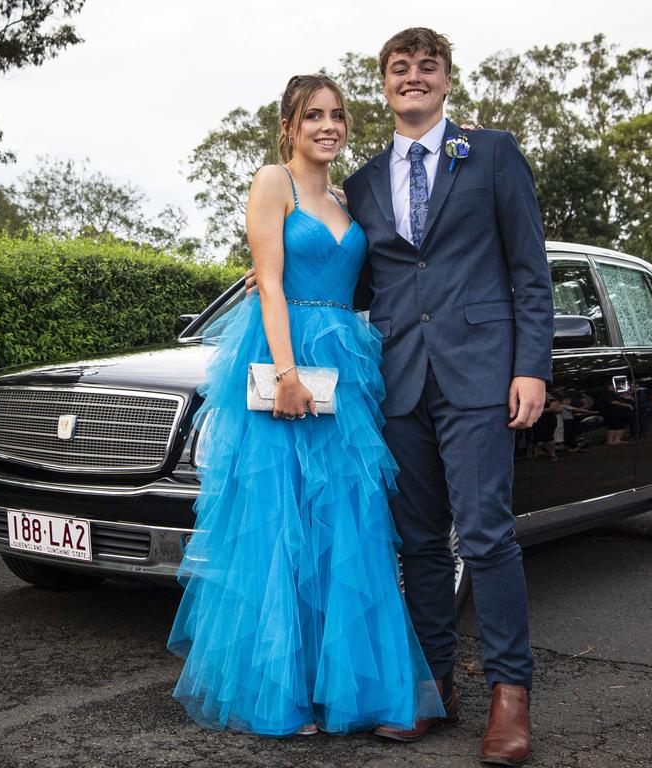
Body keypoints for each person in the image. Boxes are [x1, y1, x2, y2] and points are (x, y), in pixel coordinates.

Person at [167, 75, 444, 737]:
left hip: (346, 368)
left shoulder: (348, 199)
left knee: (345, 522)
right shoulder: (273, 182)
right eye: (313, 116)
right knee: (281, 520)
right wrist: (287, 373)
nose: (328, 125)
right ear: (290, 127)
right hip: (284, 356)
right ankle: (282, 694)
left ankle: (345, 689)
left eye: (337, 115)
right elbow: (267, 283)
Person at [342, 28, 553, 765]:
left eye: (426, 67)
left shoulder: (491, 153)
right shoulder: (363, 181)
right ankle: (434, 685)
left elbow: (530, 269)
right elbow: (360, 284)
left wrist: (533, 366)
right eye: (400, 69)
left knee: (487, 534)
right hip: (397, 381)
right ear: (385, 85)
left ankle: (510, 694)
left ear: (447, 80)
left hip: (481, 375)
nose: (413, 77)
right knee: (421, 544)